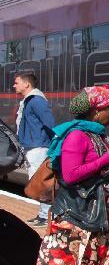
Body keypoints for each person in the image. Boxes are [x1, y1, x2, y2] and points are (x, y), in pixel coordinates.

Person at [29, 85, 109, 265]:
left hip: (97, 210)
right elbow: (71, 176)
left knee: (96, 264)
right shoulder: (76, 136)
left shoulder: (97, 134)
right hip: (77, 214)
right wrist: (107, 158)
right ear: (95, 111)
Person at [14, 72, 55, 226]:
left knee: (41, 183)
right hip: (32, 146)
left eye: (17, 82)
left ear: (27, 84)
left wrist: (53, 142)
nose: (14, 86)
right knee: (37, 182)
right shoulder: (29, 101)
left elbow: (49, 121)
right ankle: (43, 214)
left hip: (38, 147)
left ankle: (46, 216)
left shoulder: (36, 101)